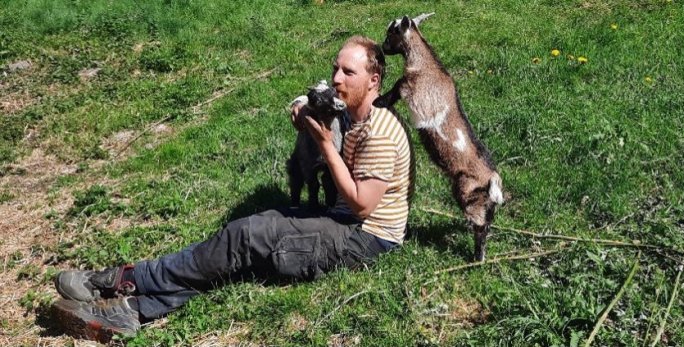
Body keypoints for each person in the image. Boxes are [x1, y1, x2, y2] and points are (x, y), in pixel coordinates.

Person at [50, 35, 413, 343]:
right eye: (336, 67)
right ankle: (135, 309)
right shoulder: (350, 108)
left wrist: (325, 146)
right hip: (344, 219)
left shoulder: (379, 132)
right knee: (242, 242)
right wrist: (300, 105)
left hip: (366, 239)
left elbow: (364, 206)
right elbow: (311, 97)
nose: (336, 78)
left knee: (247, 236)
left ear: (374, 81)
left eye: (348, 72)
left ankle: (128, 280)